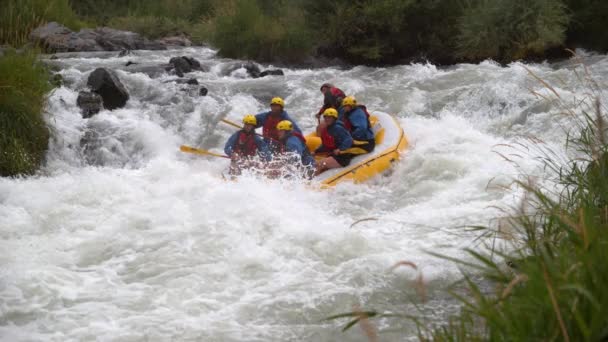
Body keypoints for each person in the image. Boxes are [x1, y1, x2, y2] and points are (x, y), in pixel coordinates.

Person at [314, 108, 355, 176]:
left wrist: (340, 149)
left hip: (342, 158)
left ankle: (311, 182)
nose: (327, 119)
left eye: (329, 117)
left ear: (334, 118)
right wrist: (316, 151)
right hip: (334, 155)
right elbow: (326, 145)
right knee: (316, 163)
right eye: (326, 117)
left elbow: (349, 139)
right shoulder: (328, 128)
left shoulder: (338, 128)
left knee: (319, 164)